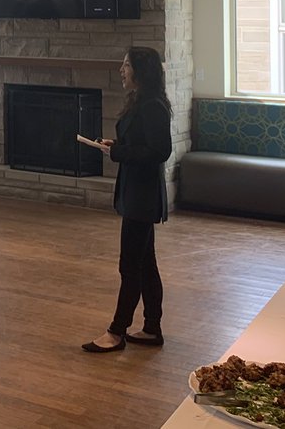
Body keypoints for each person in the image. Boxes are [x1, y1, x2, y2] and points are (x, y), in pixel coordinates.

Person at [83, 46, 173, 353]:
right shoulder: (141, 102)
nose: (121, 70)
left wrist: (119, 152)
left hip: (143, 194)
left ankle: (116, 332)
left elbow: (160, 151)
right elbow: (142, 143)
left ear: (140, 71)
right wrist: (117, 145)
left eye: (126, 65)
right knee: (145, 263)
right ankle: (151, 327)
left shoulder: (152, 106)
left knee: (130, 265)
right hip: (137, 190)